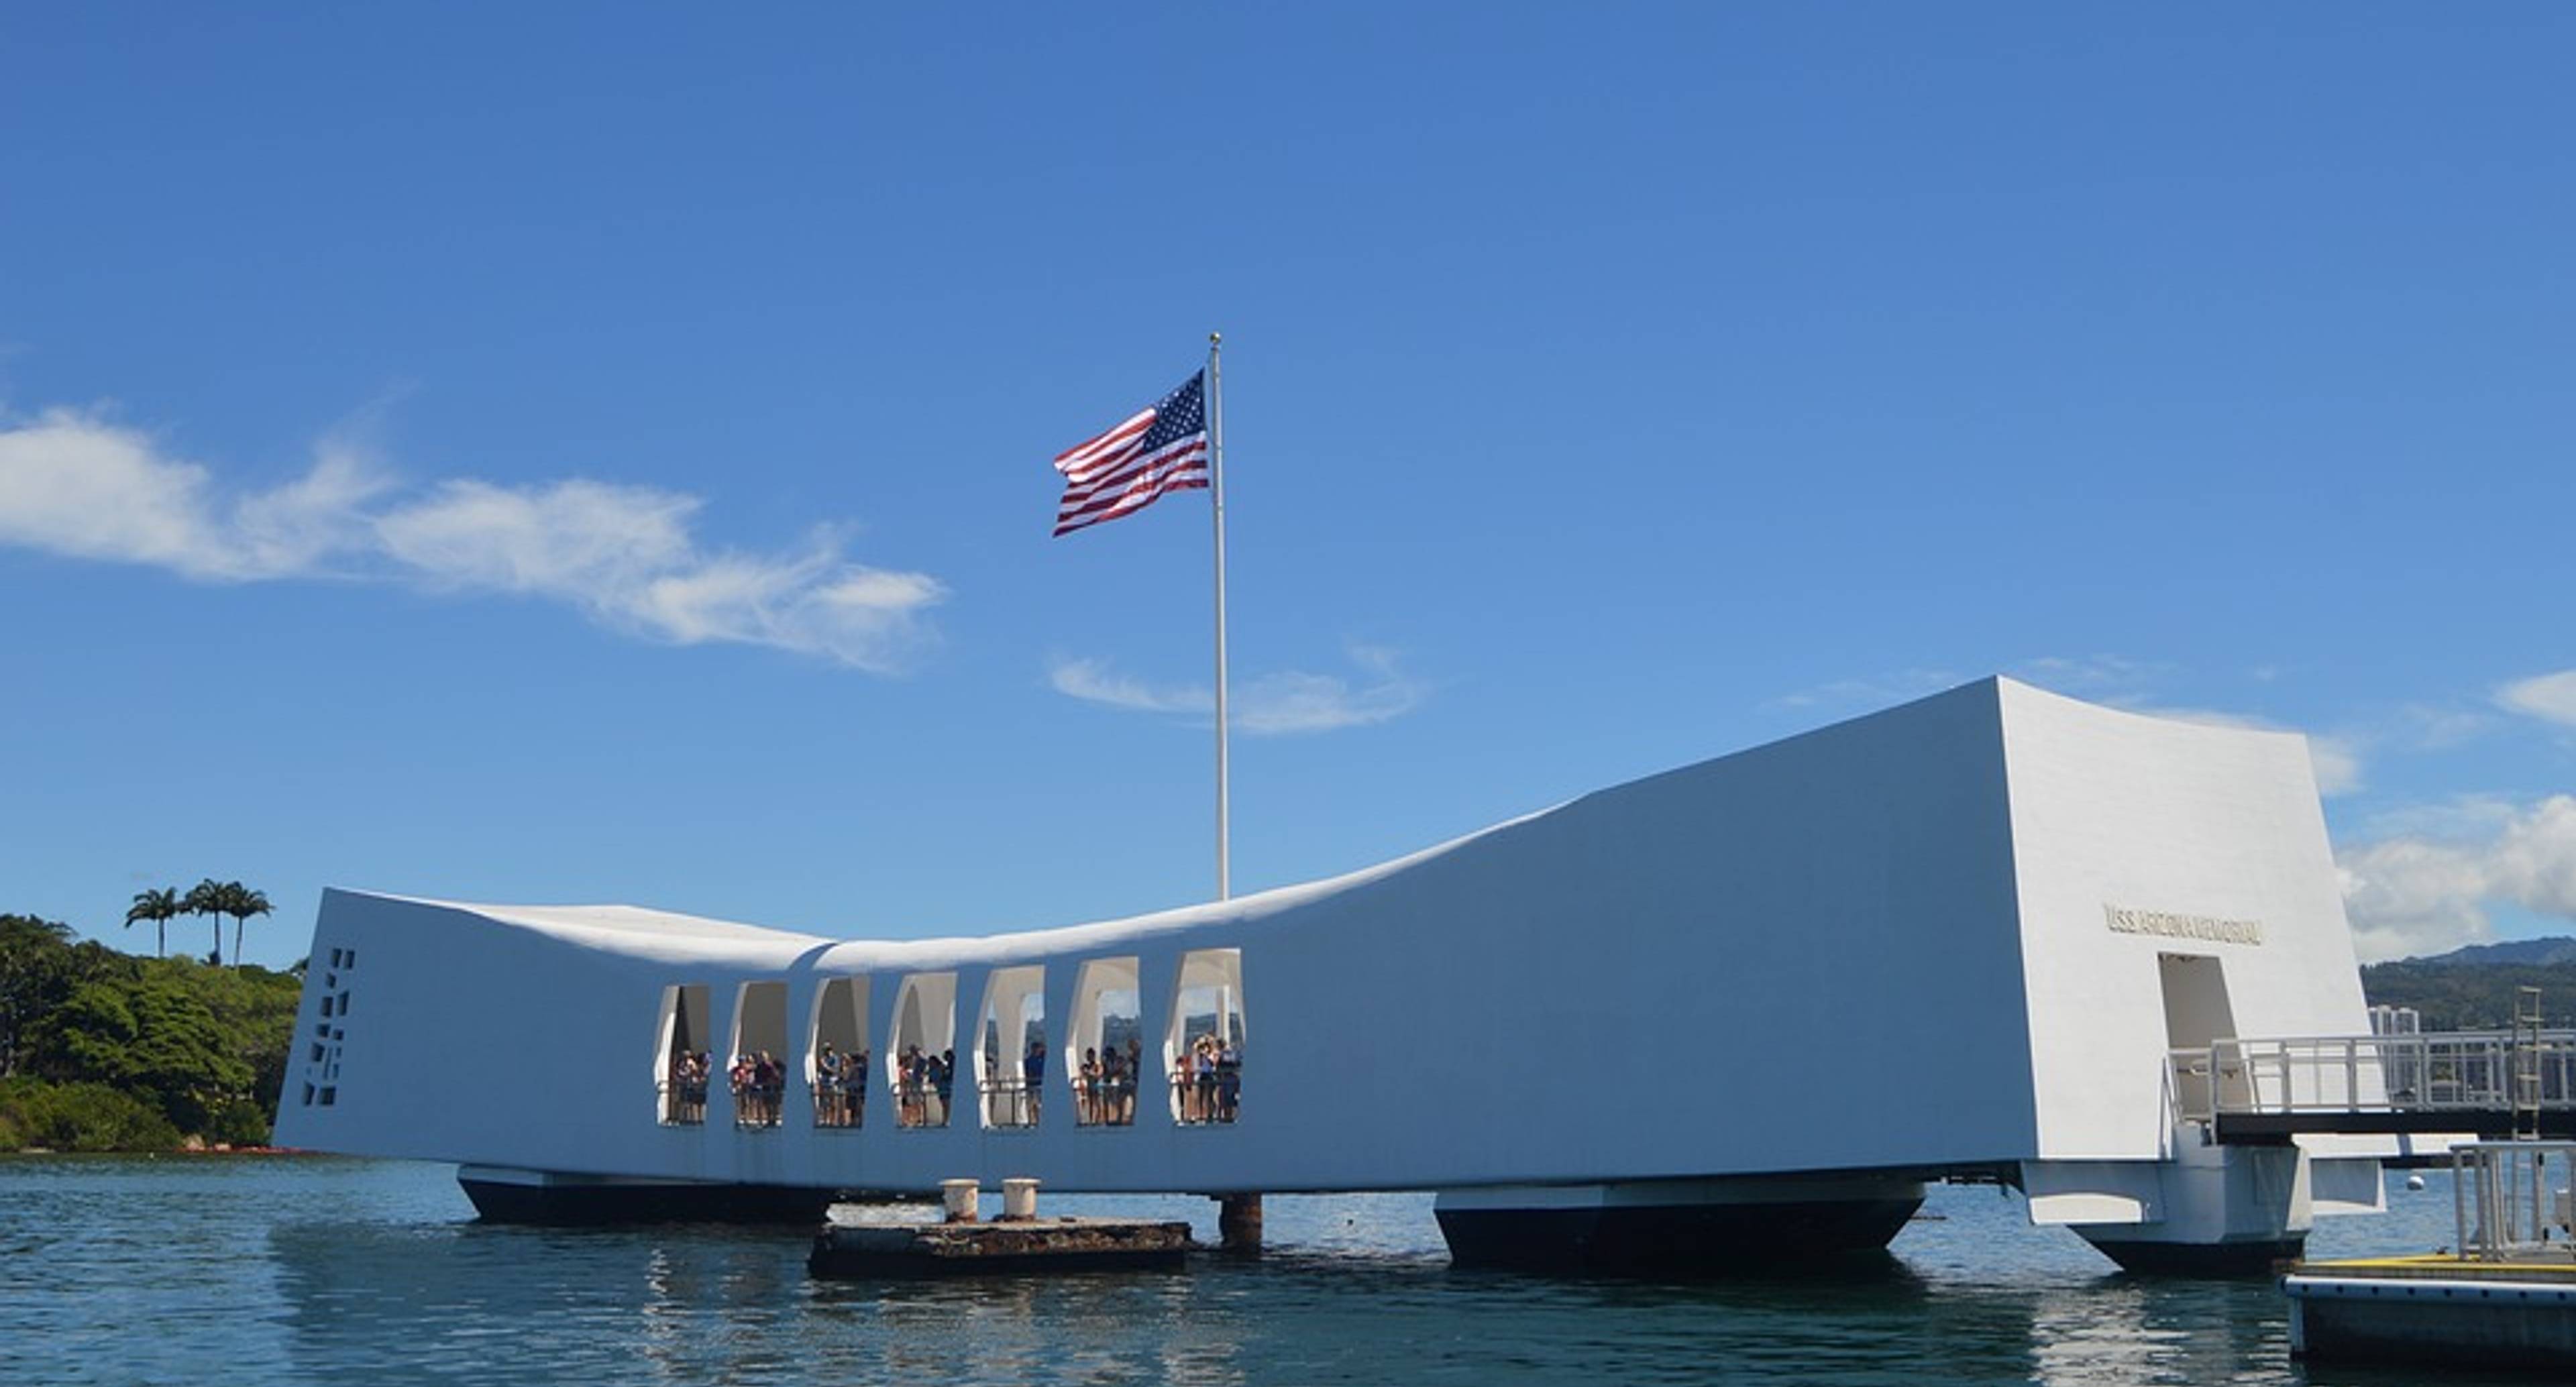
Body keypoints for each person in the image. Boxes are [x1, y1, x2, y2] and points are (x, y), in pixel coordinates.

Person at [1022, 1038, 1047, 1125]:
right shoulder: (1028, 1060)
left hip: (1039, 1085)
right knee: (1030, 1105)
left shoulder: (1043, 1060)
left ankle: (1038, 1121)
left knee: (1038, 1105)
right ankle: (1030, 1121)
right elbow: (1026, 1072)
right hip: (1031, 1085)